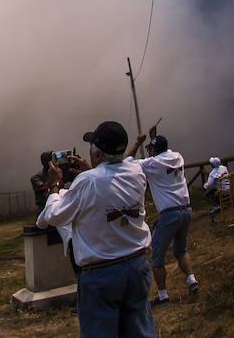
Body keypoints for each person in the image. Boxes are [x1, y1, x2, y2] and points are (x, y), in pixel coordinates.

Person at [37, 120, 154, 338]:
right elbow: (110, 182)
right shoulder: (137, 172)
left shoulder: (87, 181)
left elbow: (55, 215)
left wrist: (54, 185)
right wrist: (92, 170)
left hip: (102, 274)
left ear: (98, 154)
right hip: (137, 266)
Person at [130, 127, 199, 303]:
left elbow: (129, 162)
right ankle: (191, 279)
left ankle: (162, 295)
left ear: (153, 150)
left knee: (157, 257)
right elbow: (163, 153)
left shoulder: (151, 164)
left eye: (150, 149)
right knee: (181, 249)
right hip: (186, 210)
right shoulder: (177, 157)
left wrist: (139, 141)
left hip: (169, 214)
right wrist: (154, 139)